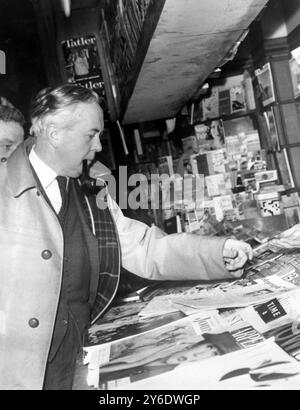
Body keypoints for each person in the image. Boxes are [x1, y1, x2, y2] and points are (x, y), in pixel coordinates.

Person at [0, 84, 253, 390]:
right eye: (90, 135)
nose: (97, 147)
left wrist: (217, 252)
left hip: (76, 366)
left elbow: (142, 248)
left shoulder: (92, 187)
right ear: (54, 133)